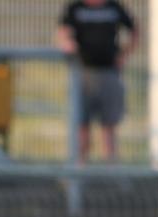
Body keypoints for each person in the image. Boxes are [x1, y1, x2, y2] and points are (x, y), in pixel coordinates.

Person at [56, 0, 138, 163]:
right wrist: (66, 43)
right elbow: (63, 32)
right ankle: (79, 173)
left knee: (109, 125)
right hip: (82, 73)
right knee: (81, 125)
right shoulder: (75, 8)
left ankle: (111, 172)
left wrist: (124, 55)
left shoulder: (114, 7)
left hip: (109, 73)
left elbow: (134, 30)